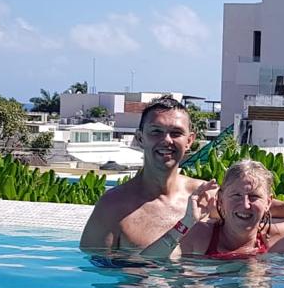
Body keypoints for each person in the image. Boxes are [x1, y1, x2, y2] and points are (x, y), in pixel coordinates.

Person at [80, 96, 209, 252]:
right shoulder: (112, 206)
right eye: (156, 131)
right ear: (140, 138)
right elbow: (95, 263)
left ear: (189, 141)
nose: (167, 140)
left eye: (176, 133)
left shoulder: (207, 197)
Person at [140, 159, 275, 260]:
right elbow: (149, 261)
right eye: (236, 195)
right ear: (220, 199)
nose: (245, 205)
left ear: (268, 202)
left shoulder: (278, 240)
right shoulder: (201, 236)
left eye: (254, 196)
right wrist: (187, 222)